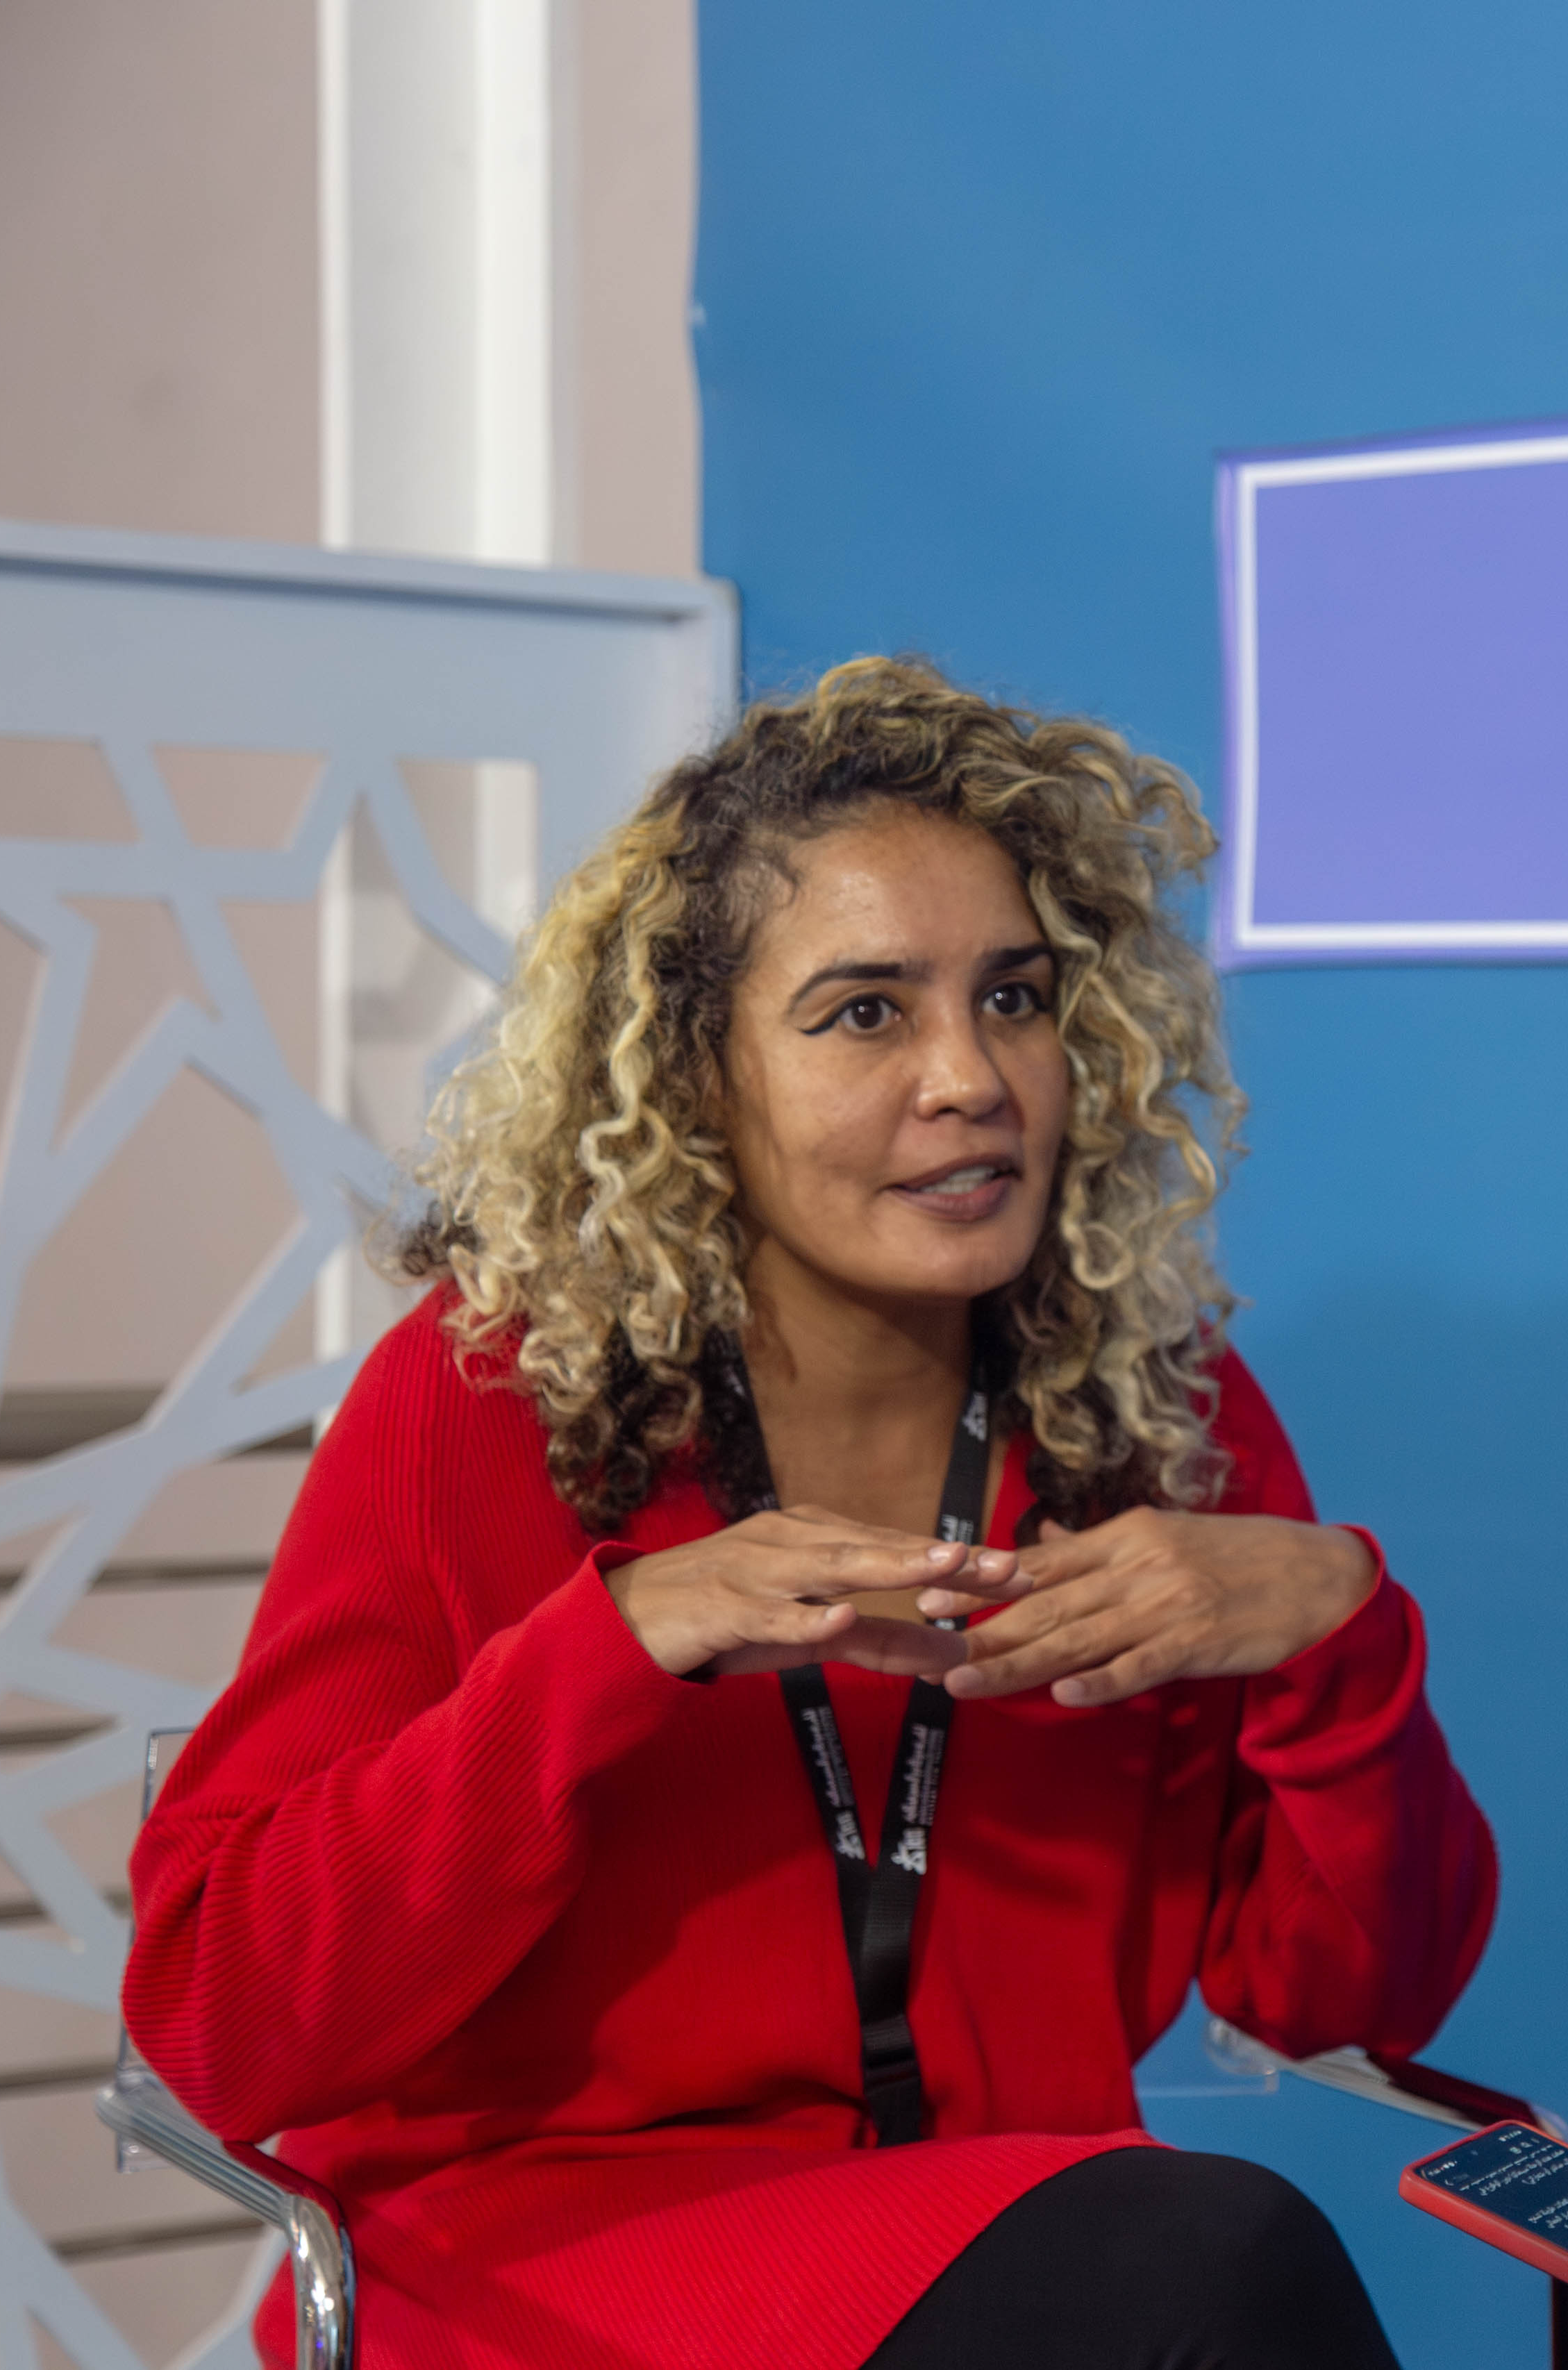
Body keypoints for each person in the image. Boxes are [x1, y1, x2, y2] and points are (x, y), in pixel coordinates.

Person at [126, 660, 1495, 2370]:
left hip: (1013, 2248)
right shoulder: (488, 1394)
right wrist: (610, 1648)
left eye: (1013, 997)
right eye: (865, 1014)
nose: (970, 1076)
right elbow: (219, 2023)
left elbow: (1344, 2001)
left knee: (1197, 2265)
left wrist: (1339, 1649)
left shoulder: (1153, 1417)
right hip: (545, 2260)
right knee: (1215, 2264)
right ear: (699, 1075)